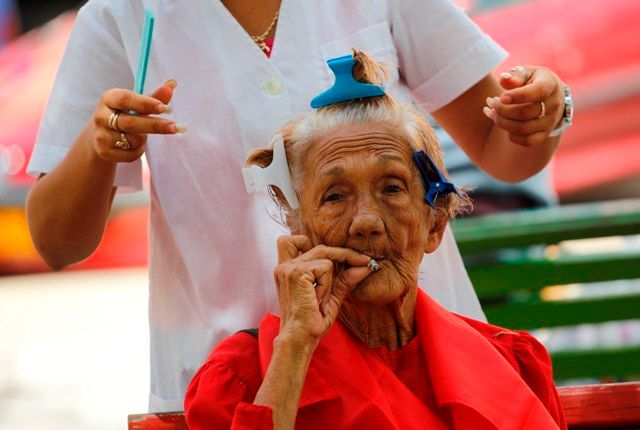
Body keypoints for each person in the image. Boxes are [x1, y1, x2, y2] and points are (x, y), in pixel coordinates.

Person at [25, 0, 569, 411]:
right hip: (239, 387)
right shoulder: (124, 16)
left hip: (419, 363)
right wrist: (98, 150)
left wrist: (543, 112)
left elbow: (506, 152)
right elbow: (57, 241)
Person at [184, 51, 567, 429]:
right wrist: (295, 346)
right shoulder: (246, 376)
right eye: (335, 196)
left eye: (391, 188)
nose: (366, 222)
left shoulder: (512, 362)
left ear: (434, 225)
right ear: (299, 230)